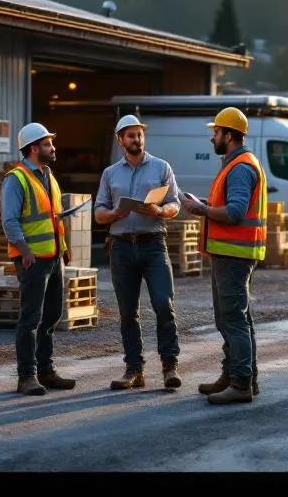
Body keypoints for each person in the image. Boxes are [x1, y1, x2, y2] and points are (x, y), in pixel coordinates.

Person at [180, 106, 267, 405]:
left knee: (232, 319)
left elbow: (234, 212)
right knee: (236, 318)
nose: (212, 137)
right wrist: (202, 202)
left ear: (229, 135)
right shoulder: (236, 163)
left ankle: (240, 384)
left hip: (234, 256)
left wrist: (202, 210)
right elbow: (228, 204)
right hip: (232, 254)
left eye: (215, 132)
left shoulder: (241, 167)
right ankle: (238, 376)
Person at [94, 114, 184, 391]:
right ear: (120, 140)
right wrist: (116, 212)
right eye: (130, 135)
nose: (137, 139)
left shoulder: (161, 167)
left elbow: (175, 204)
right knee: (127, 312)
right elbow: (98, 214)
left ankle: (170, 367)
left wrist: (159, 210)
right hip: (121, 246)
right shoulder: (110, 174)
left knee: (163, 304)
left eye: (140, 135)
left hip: (153, 243)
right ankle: (134, 370)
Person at [2, 121, 78, 396]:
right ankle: (27, 376)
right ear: (34, 148)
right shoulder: (17, 179)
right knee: (30, 319)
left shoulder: (48, 175)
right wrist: (25, 252)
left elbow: (53, 219)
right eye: (48, 144)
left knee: (52, 315)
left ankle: (46, 370)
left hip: (53, 257)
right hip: (32, 260)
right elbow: (9, 221)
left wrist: (64, 247)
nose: (53, 147)